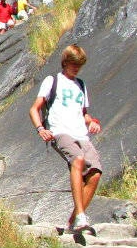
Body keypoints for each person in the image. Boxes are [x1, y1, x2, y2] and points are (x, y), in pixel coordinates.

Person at [29, 44, 102, 232]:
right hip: (60, 131)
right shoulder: (52, 81)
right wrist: (40, 129)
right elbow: (34, 108)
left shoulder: (81, 85)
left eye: (79, 65)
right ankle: (80, 216)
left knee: (95, 174)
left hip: (81, 134)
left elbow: (83, 113)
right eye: (73, 64)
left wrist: (91, 122)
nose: (76, 68)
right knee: (77, 161)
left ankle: (73, 222)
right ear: (65, 62)